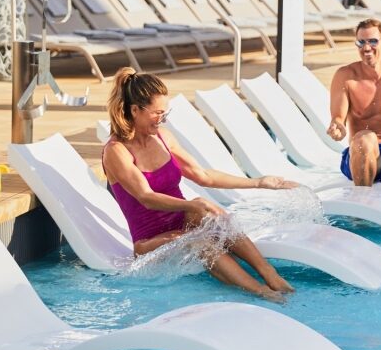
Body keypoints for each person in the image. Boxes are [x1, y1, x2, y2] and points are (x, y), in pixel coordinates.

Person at [102, 67, 296, 301]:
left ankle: (269, 273)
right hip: (148, 243)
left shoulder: (163, 137)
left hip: (182, 222)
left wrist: (258, 182)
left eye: (166, 112)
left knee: (213, 217)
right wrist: (192, 206)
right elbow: (146, 197)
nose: (163, 119)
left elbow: (203, 175)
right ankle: (260, 291)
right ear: (135, 110)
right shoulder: (116, 151)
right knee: (201, 239)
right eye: (157, 113)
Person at [328, 19, 381, 187]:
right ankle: (361, 207)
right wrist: (337, 126)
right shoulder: (346, 76)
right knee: (366, 138)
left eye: (373, 41)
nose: (366, 48)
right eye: (361, 42)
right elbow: (338, 117)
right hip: (360, 155)